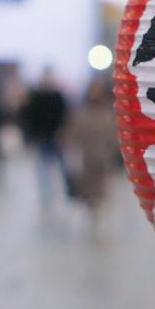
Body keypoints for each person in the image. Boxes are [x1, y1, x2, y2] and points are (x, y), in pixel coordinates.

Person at [65, 77, 118, 223]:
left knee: (101, 187)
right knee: (89, 188)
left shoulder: (108, 112)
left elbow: (113, 134)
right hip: (87, 157)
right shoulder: (81, 113)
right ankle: (92, 208)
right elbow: (73, 133)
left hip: (103, 156)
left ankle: (98, 209)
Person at [21, 67, 69, 209]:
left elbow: (64, 116)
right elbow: (29, 118)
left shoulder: (57, 96)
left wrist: (63, 133)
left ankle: (67, 193)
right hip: (42, 137)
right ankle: (46, 197)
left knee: (61, 167)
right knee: (42, 169)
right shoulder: (36, 97)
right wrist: (30, 137)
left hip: (56, 136)